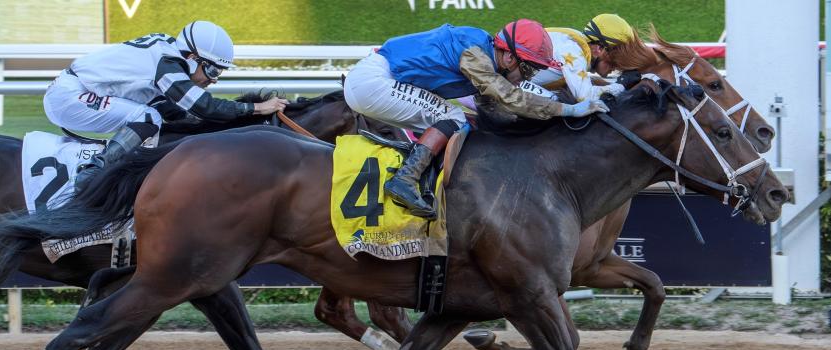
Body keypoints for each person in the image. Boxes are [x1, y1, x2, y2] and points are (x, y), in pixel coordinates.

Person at [344, 20, 609, 220]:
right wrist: (568, 110)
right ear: (508, 57)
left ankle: (423, 183)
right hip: (374, 81)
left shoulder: (487, 58)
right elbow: (509, 98)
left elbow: (493, 111)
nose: (529, 77)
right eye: (528, 68)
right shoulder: (475, 54)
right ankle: (404, 179)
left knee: (461, 122)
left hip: (377, 81)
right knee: (454, 117)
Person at [43, 21, 289, 189]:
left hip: (79, 90)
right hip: (69, 96)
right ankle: (93, 174)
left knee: (158, 114)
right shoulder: (167, 63)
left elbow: (178, 113)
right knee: (148, 118)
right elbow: (203, 106)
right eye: (212, 69)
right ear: (193, 58)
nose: (213, 79)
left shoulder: (170, 55)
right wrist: (256, 109)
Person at [531, 14, 642, 103]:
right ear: (599, 48)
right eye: (614, 61)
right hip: (514, 84)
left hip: (516, 76)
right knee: (557, 102)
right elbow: (586, 97)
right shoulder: (573, 52)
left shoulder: (575, 41)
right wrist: (621, 85)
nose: (615, 67)